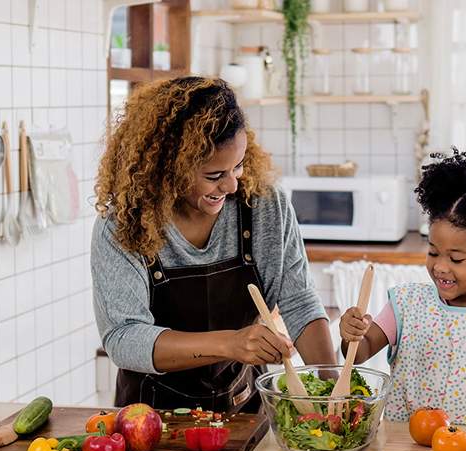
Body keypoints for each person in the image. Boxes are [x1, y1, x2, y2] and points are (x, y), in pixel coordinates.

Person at [92, 76, 335, 412]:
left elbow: (299, 302)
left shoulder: (264, 204)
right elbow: (124, 339)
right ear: (169, 168)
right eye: (214, 175)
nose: (233, 185)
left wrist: (334, 390)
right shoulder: (124, 224)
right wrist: (230, 343)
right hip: (149, 416)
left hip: (242, 406)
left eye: (237, 166)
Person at [339, 147, 466, 425]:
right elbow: (360, 352)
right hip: (409, 445)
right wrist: (351, 334)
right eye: (433, 252)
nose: (440, 267)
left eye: (456, 258)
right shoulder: (406, 303)